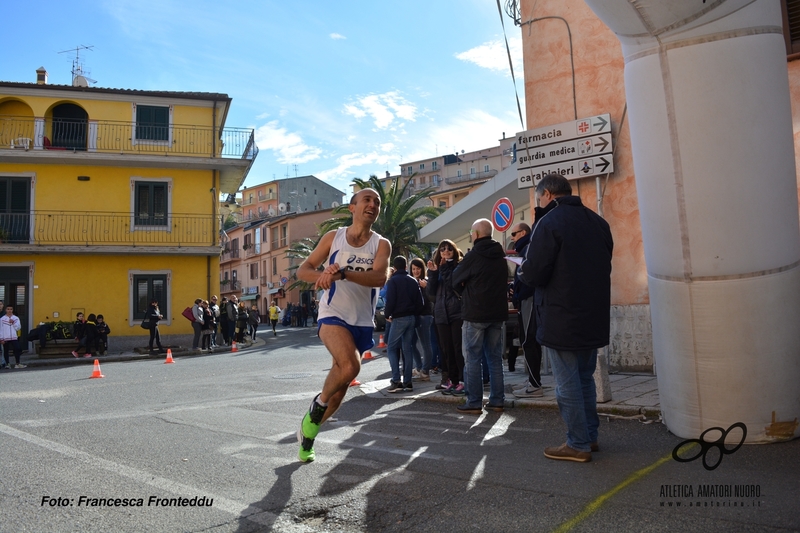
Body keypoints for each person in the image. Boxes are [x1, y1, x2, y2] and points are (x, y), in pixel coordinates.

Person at [520, 174, 613, 463]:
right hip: (593, 314)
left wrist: (521, 270)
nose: (539, 205)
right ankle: (590, 436)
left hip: (561, 314)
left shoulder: (549, 223)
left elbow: (535, 271)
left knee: (567, 383)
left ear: (547, 194)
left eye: (539, 199)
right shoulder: (598, 222)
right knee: (585, 379)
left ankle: (577, 443)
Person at [295, 188, 391, 462]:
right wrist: (322, 276)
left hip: (361, 321)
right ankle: (317, 405)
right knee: (351, 366)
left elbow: (379, 278)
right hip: (333, 314)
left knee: (339, 392)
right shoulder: (333, 237)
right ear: (352, 207)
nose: (372, 204)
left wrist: (343, 273)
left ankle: (308, 435)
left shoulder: (381, 244)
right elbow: (304, 270)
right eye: (367, 200)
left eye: (377, 202)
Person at [451, 219, 509, 414]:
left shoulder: (474, 255)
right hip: (497, 314)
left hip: (475, 313)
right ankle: (497, 401)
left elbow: (454, 279)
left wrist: (464, 291)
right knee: (495, 358)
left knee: (473, 359)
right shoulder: (500, 255)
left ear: (475, 234)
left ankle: (474, 402)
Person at [509, 221, 545, 398]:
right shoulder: (524, 250)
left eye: (514, 234)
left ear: (523, 233)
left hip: (529, 297)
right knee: (529, 340)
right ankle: (533, 380)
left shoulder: (528, 248)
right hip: (525, 297)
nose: (512, 238)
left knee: (528, 340)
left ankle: (534, 384)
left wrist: (519, 291)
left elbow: (528, 274)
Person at [427, 239, 466, 395]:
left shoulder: (458, 265)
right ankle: (452, 381)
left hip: (456, 312)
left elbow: (453, 285)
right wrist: (433, 273)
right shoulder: (438, 267)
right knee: (446, 350)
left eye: (449, 248)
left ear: (454, 250)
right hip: (441, 313)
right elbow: (430, 292)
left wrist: (442, 269)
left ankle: (462, 381)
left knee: (458, 349)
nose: (445, 251)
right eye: (442, 248)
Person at [384, 255, 424, 392]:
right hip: (411, 317)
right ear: (406, 266)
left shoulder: (393, 281)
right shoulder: (413, 281)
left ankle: (396, 380)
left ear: (394, 267)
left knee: (391, 348)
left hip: (399, 318)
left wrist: (387, 314)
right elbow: (420, 302)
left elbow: (390, 300)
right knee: (407, 349)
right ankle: (408, 381)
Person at [410, 257, 433, 382]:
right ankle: (419, 367)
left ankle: (425, 371)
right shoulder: (411, 281)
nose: (415, 271)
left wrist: (426, 287)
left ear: (422, 269)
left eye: (418, 268)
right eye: (413, 269)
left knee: (425, 344)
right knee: (411, 343)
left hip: (424, 316)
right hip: (413, 317)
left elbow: (430, 298)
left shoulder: (426, 281)